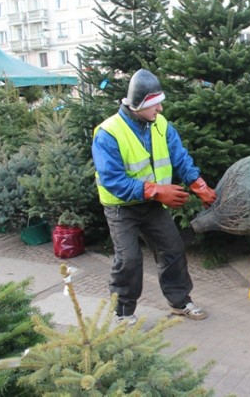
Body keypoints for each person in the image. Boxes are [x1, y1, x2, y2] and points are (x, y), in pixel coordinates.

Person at [92, 68, 217, 324]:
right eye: (154, 105)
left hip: (152, 205)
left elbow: (180, 158)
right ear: (138, 105)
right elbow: (113, 181)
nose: (159, 110)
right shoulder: (108, 132)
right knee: (128, 259)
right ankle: (123, 313)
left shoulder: (160, 125)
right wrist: (157, 190)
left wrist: (199, 185)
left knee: (173, 249)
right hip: (121, 208)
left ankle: (180, 303)